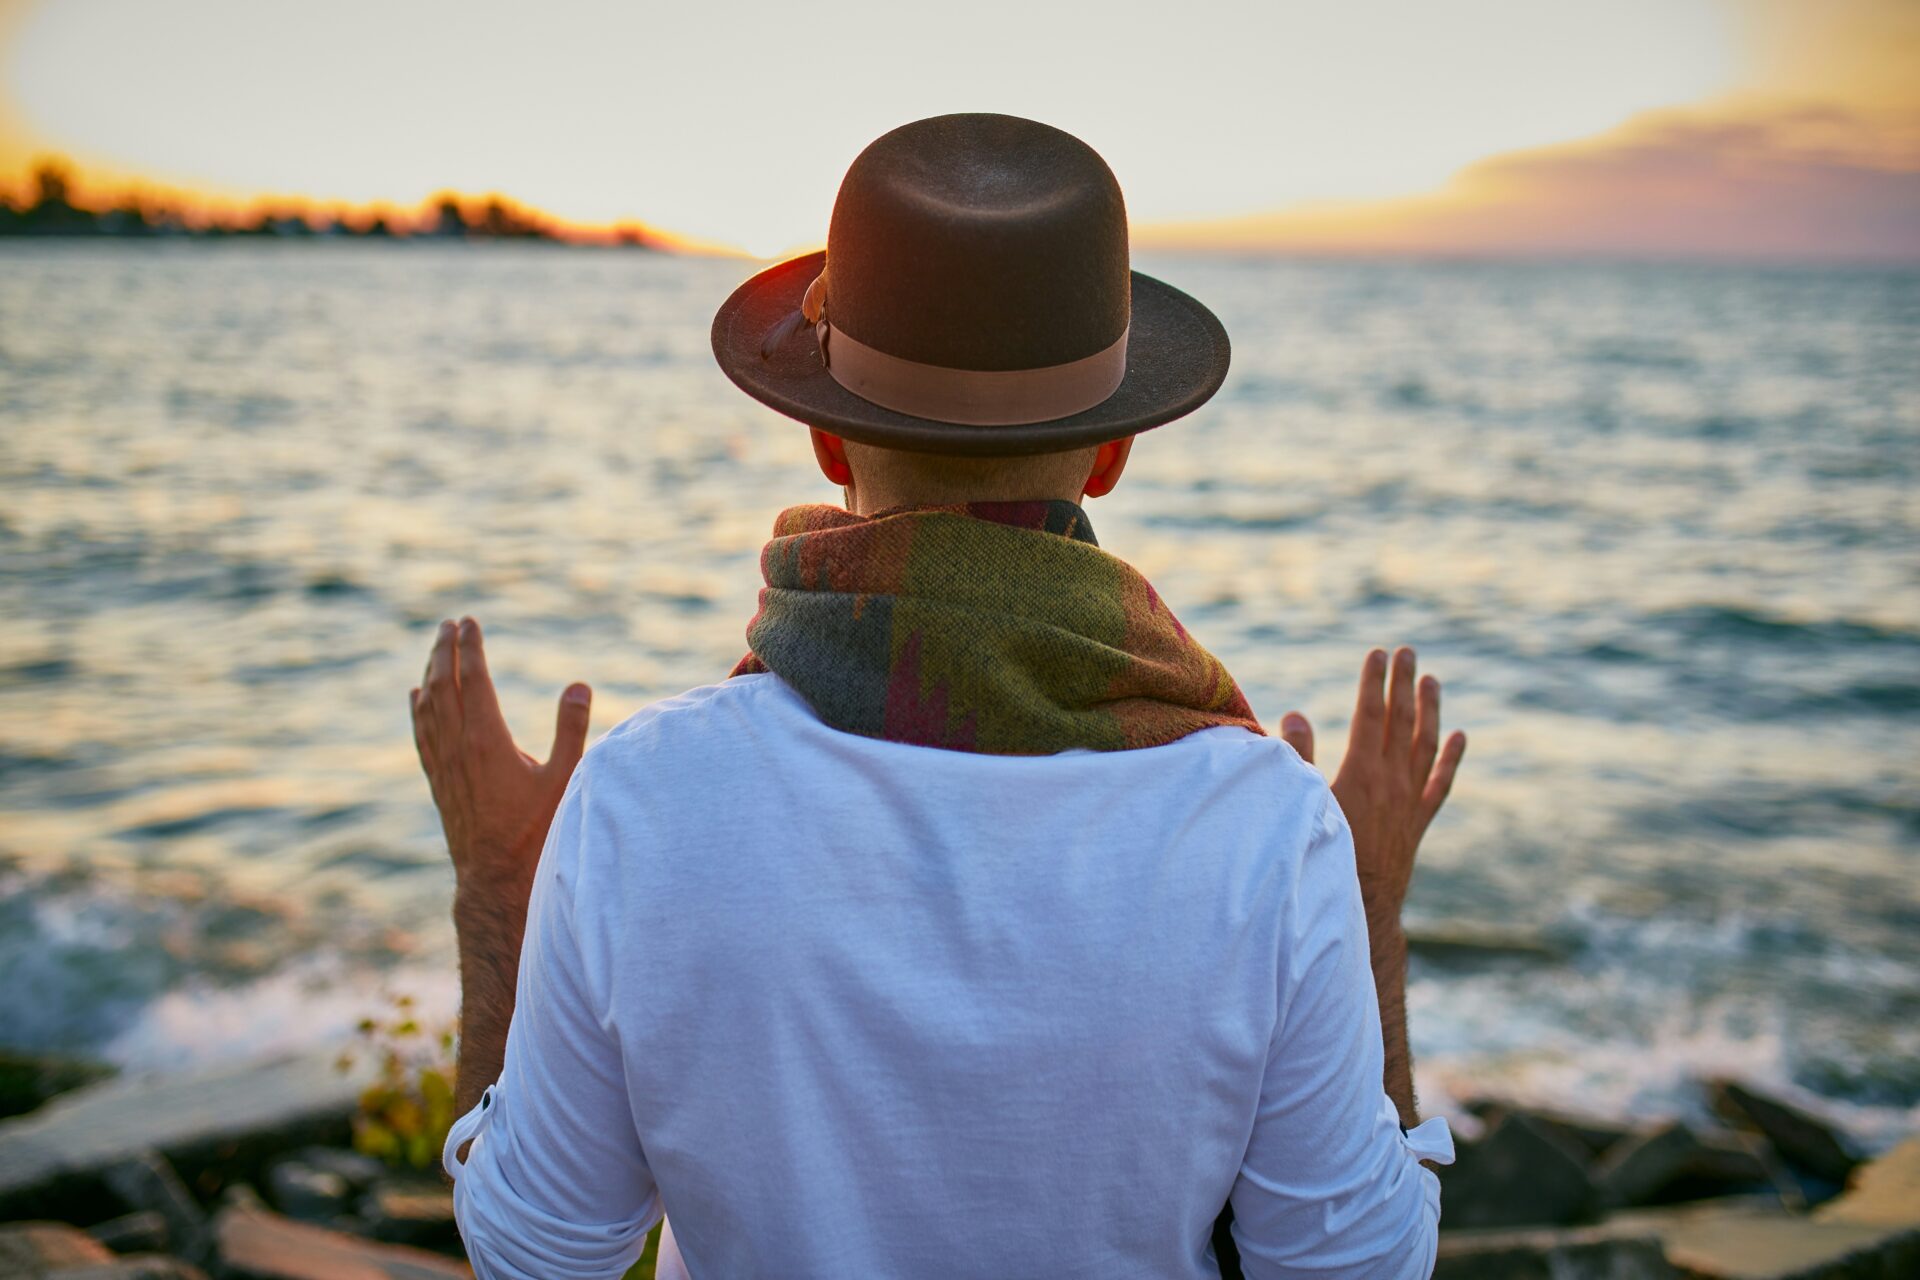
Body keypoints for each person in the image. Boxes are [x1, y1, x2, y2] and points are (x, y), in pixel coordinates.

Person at [412, 113, 1467, 1279]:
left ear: (823, 432)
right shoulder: (1266, 829)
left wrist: (500, 890)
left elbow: (536, 1253)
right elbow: (1355, 1269)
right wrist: (1364, 899)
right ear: (1111, 450)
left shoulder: (642, 801)